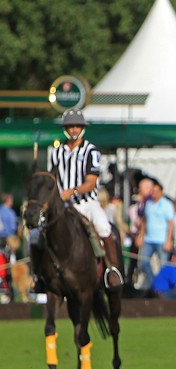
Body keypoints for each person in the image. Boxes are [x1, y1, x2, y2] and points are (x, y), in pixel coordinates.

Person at [45, 109, 123, 287]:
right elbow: (51, 179)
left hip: (86, 203)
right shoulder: (56, 152)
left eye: (77, 126)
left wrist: (71, 192)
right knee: (36, 234)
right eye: (71, 126)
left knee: (104, 227)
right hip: (62, 205)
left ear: (82, 128)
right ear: (65, 128)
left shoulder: (91, 151)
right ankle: (40, 275)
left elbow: (91, 182)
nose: (74, 129)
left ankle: (112, 270)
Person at [137, 180, 174, 291]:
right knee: (143, 263)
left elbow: (171, 224)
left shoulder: (167, 205)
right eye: (152, 191)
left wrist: (168, 240)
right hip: (149, 239)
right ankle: (153, 283)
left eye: (156, 191)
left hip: (161, 239)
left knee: (163, 266)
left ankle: (163, 289)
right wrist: (141, 235)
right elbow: (144, 221)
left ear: (161, 192)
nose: (153, 193)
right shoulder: (148, 204)